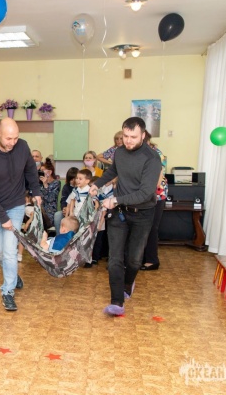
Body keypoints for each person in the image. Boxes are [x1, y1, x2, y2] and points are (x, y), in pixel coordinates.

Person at [90, 117, 162, 316]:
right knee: (114, 258)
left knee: (134, 260)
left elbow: (145, 193)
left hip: (143, 214)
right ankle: (117, 302)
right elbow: (113, 171)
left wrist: (116, 200)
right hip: (119, 213)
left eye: (133, 137)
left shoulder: (152, 159)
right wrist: (97, 184)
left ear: (143, 135)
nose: (128, 141)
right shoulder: (120, 152)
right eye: (125, 136)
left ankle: (128, 283)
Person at [0, 118, 42, 312]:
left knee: (9, 251)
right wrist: (2, 218)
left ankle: (8, 291)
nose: (12, 142)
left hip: (15, 205)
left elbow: (30, 170)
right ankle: (13, 276)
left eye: (16, 138)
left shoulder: (22, 147)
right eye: (8, 138)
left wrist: (36, 191)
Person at [140, 131, 168, 271]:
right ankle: (142, 258)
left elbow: (157, 179)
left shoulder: (156, 153)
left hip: (155, 195)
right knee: (142, 227)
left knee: (151, 228)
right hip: (144, 195)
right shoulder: (141, 153)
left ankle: (152, 260)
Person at [39, 158, 61, 228]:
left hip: (50, 213)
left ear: (49, 172)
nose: (41, 172)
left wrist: (45, 185)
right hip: (40, 211)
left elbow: (50, 199)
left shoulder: (56, 183)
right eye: (40, 170)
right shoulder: (39, 184)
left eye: (43, 170)